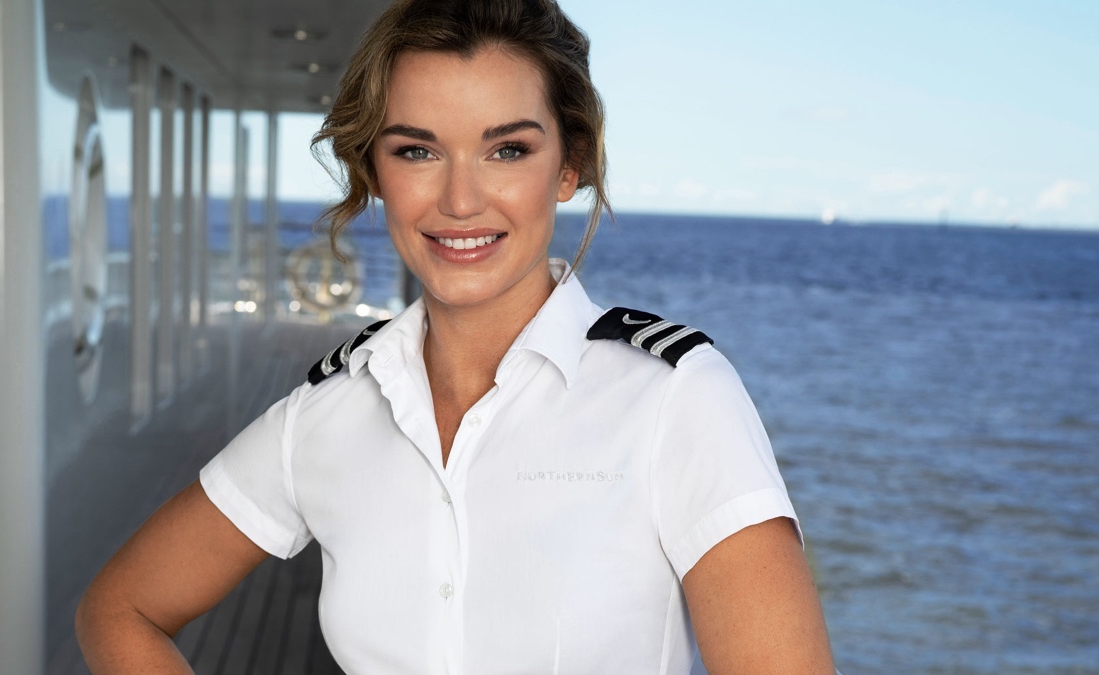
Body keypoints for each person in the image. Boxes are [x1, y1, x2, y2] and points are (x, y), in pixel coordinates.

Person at [76, 0, 838, 672]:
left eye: (508, 149)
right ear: (375, 170)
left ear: (569, 165)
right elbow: (120, 611)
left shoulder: (675, 398)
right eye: (417, 150)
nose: (461, 198)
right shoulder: (330, 412)